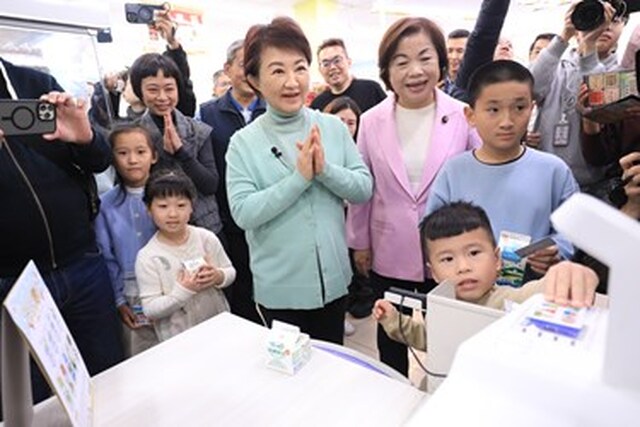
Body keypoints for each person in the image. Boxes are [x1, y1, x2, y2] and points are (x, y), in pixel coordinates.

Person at [346, 17, 481, 376]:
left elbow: (480, 174)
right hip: (389, 248)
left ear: (440, 62)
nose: (415, 71)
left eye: (425, 58)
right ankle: (392, 393)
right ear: (387, 71)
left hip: (451, 250)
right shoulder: (371, 120)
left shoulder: (462, 115)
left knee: (451, 337)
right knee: (391, 334)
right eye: (401, 62)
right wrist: (359, 242)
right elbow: (363, 186)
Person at [226, 17, 373, 344]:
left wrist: (325, 171)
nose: (292, 81)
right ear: (254, 79)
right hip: (280, 291)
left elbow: (363, 188)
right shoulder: (243, 143)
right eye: (278, 71)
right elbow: (243, 212)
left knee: (331, 363)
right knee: (290, 370)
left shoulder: (332, 127)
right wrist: (299, 179)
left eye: (300, 68)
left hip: (334, 283)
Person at [0, 58, 124, 411]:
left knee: (109, 377)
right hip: (12, 283)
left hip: (83, 263)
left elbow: (99, 160)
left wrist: (86, 138)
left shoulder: (34, 83)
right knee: (36, 401)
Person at [374, 202, 599, 360]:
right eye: (448, 259)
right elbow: (430, 339)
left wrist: (569, 273)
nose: (463, 267)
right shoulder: (441, 305)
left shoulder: (512, 299)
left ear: (497, 259)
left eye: (474, 253)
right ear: (434, 273)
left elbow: (541, 289)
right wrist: (394, 321)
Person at [425, 60, 579, 279]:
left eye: (519, 108)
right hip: (467, 286)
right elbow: (432, 233)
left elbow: (573, 230)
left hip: (535, 288)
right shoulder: (454, 172)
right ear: (470, 115)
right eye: (493, 110)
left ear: (532, 108)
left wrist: (556, 250)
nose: (506, 122)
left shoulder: (554, 170)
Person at [198, 39, 266, 324]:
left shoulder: (274, 109)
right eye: (243, 64)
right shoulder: (207, 113)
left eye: (256, 65)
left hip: (271, 217)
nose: (250, 71)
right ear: (227, 69)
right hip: (230, 219)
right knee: (240, 289)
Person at [530, 1, 625, 199]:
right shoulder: (555, 64)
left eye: (613, 20)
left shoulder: (622, 74)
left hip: (594, 186)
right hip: (543, 179)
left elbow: (597, 101)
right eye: (596, 17)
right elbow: (530, 90)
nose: (605, 26)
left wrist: (589, 45)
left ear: (623, 25)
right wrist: (564, 35)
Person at [135, 169, 235, 342]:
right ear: (149, 209)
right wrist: (182, 291)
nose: (173, 214)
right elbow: (150, 309)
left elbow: (230, 271)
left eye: (181, 205)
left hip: (218, 326)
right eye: (163, 206)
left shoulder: (206, 238)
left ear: (191, 207)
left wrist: (218, 276)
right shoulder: (148, 257)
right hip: (178, 339)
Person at [129, 52, 222, 236]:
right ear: (140, 91)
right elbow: (135, 185)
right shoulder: (134, 135)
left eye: (169, 89)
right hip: (157, 231)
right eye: (153, 90)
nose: (162, 97)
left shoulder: (198, 130)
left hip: (205, 228)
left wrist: (181, 152)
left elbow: (210, 185)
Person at [94, 124, 159, 356]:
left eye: (141, 152)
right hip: (131, 294)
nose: (132, 160)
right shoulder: (105, 205)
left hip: (170, 287)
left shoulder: (169, 196)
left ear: (154, 156)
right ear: (112, 158)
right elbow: (106, 256)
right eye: (122, 153)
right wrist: (119, 300)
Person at [323, 96, 365, 336]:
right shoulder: (319, 147)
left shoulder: (357, 150)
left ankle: (343, 314)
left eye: (352, 123)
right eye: (341, 121)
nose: (347, 127)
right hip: (331, 221)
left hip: (353, 219)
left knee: (347, 269)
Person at [309, 38, 387, 113]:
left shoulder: (371, 90)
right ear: (320, 70)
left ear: (349, 62)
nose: (332, 67)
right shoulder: (318, 105)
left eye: (337, 61)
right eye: (326, 64)